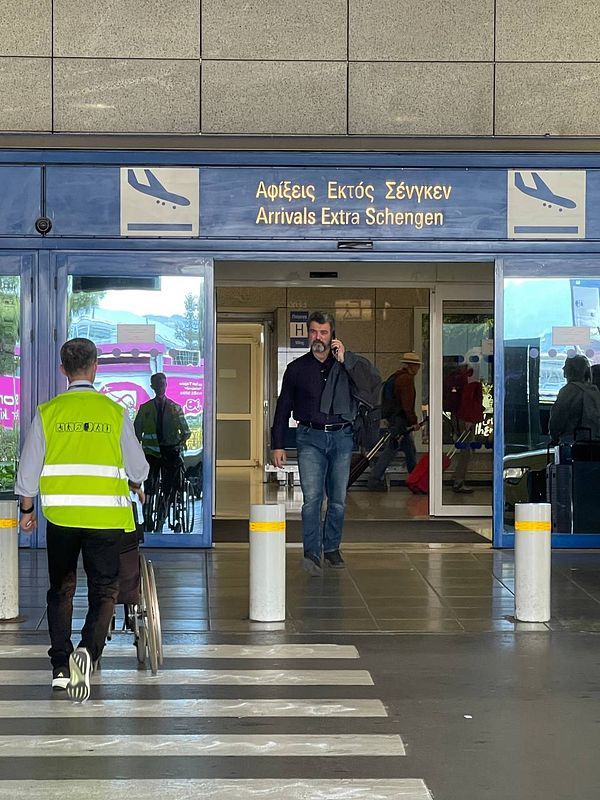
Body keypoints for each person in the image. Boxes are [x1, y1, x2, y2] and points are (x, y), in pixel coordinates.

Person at [15, 337, 148, 703]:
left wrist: (27, 511)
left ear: (63, 370)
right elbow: (138, 467)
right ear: (95, 367)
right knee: (105, 591)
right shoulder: (114, 412)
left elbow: (28, 470)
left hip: (61, 518)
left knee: (61, 590)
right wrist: (134, 482)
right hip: (105, 518)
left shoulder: (48, 413)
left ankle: (59, 667)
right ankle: (86, 655)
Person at [271, 311, 380, 575]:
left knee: (339, 499)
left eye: (323, 332)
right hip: (309, 438)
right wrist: (277, 444)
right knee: (312, 500)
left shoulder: (345, 365)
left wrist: (347, 361)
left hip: (342, 437)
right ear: (307, 334)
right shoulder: (296, 369)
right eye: (313, 332)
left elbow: (369, 387)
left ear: (333, 335)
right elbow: (283, 408)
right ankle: (312, 551)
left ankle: (331, 548)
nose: (318, 337)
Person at [134, 372, 191, 530]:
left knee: (168, 487)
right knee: (150, 486)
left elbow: (186, 431)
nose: (161, 387)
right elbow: (136, 433)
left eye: (163, 384)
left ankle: (161, 516)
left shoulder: (175, 408)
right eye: (158, 384)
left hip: (170, 453)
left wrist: (179, 444)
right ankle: (147, 517)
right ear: (152, 386)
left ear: (166, 386)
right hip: (151, 455)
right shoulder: (145, 409)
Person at [368, 352, 422, 491]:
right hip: (400, 421)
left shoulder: (395, 377)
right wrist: (414, 421)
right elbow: (407, 404)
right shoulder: (406, 380)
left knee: (409, 450)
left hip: (393, 418)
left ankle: (415, 478)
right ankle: (375, 479)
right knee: (392, 449)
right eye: (417, 366)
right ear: (412, 366)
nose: (418, 369)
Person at [550, 354, 600, 444]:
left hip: (571, 442)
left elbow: (557, 418)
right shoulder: (594, 391)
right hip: (593, 442)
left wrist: (554, 437)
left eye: (566, 365)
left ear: (571, 370)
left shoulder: (568, 391)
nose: (563, 368)